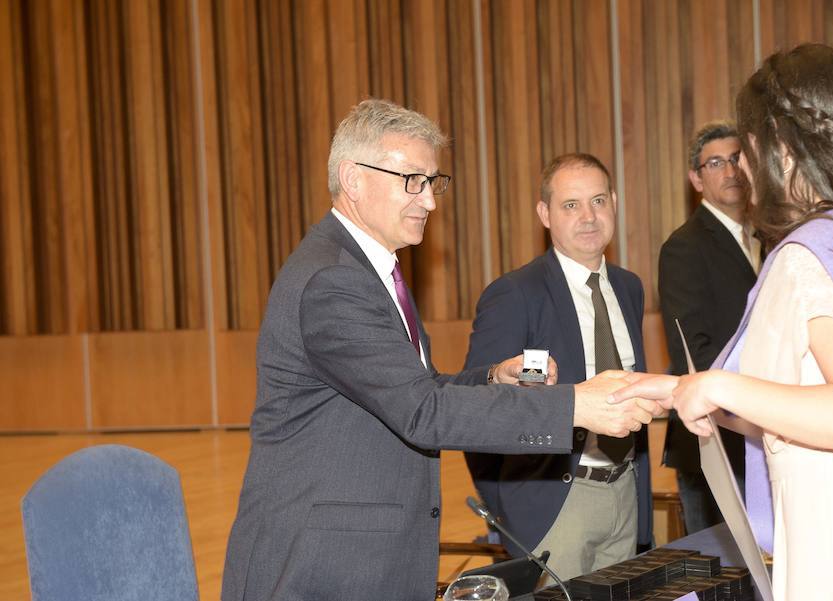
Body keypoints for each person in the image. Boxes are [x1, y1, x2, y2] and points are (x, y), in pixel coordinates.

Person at [220, 99, 663, 601]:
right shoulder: (333, 281)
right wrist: (576, 404)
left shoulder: (369, 272)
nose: (429, 201)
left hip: (362, 556)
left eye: (433, 182)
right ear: (354, 178)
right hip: (323, 564)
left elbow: (418, 389)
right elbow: (422, 412)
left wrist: (491, 379)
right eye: (412, 180)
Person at [610, 44, 833, 600]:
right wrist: (678, 389)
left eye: (746, 148)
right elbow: (793, 400)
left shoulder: (812, 251)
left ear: (782, 149)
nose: (741, 165)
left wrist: (715, 383)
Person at [464, 153, 652, 581]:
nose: (588, 216)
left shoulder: (629, 288)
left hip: (624, 493)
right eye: (571, 205)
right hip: (553, 505)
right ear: (544, 214)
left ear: (615, 204)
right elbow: (475, 408)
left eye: (599, 201)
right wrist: (509, 509)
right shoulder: (515, 293)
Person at [658, 121, 760, 533]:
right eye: (716, 162)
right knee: (722, 582)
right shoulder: (685, 246)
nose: (731, 170)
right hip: (715, 438)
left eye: (737, 159)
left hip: (765, 433)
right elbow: (693, 352)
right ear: (696, 178)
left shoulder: (769, 237)